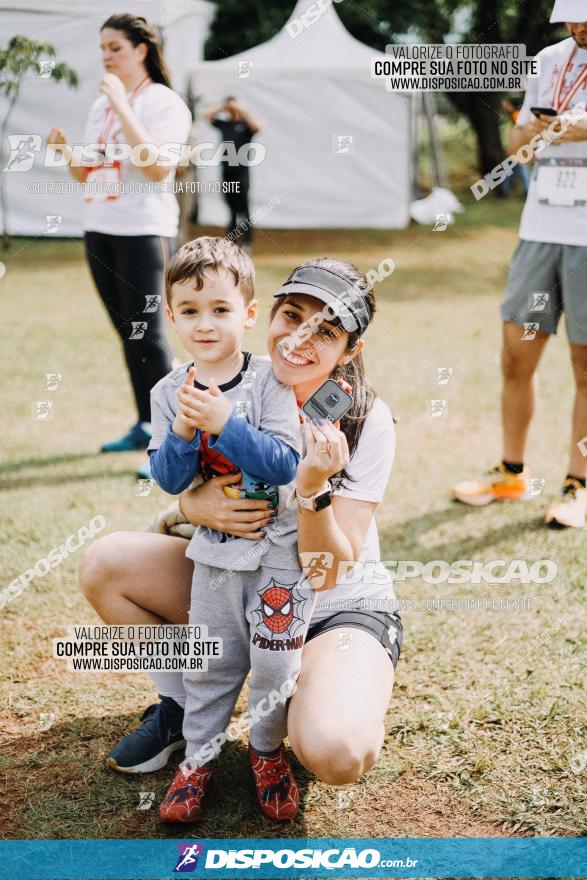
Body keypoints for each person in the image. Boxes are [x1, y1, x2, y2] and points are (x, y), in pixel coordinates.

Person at [79, 256, 402, 805]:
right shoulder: (222, 382)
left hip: (330, 607)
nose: (300, 338)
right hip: (232, 582)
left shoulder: (364, 418)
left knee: (336, 751)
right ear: (265, 316)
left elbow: (328, 572)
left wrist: (313, 491)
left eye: (325, 331)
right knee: (106, 564)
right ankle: (181, 708)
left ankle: (298, 696)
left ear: (350, 352)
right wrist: (192, 504)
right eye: (292, 315)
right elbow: (177, 470)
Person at [147, 236, 315, 823]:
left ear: (248, 314)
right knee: (211, 661)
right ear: (171, 316)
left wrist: (224, 421)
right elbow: (169, 479)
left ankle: (267, 751)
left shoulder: (270, 381)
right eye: (189, 311)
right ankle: (197, 759)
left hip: (278, 553)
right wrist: (185, 434)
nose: (205, 323)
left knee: (273, 661)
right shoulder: (169, 392)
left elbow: (285, 463)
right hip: (216, 556)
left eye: (220, 310)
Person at [453, 0, 587, 528]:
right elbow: (515, 148)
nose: (580, 28)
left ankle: (578, 486)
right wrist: (537, 130)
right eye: (575, 19)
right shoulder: (549, 61)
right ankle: (511, 474)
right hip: (540, 230)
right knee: (516, 357)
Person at [47, 14, 192, 472]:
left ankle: (173, 442)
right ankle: (146, 425)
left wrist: (121, 104)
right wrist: (67, 152)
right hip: (100, 227)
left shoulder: (162, 102)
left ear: (140, 50)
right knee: (127, 334)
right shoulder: (100, 107)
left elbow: (155, 168)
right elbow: (85, 171)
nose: (105, 56)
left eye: (115, 47)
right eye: (103, 48)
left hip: (144, 230)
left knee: (148, 334)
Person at [204, 97, 261, 251]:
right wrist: (223, 107)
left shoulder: (245, 126)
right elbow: (207, 116)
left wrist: (239, 108)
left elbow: (258, 125)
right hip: (227, 173)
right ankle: (232, 243)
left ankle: (247, 243)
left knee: (244, 210)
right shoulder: (225, 125)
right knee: (231, 211)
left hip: (241, 174)